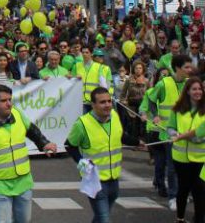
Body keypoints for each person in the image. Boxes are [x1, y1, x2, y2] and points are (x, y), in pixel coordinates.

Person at [0, 84, 58, 223]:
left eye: (10, 99)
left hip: (23, 183)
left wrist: (43, 143)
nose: (9, 104)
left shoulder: (17, 114)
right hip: (0, 186)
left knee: (24, 220)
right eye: (3, 101)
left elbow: (31, 129)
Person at [65, 87, 142, 223]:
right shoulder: (82, 124)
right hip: (95, 181)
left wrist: (137, 142)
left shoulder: (114, 115)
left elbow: (120, 135)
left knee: (101, 217)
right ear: (93, 105)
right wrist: (83, 165)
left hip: (114, 178)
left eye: (108, 101)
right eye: (102, 102)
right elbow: (69, 145)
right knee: (104, 219)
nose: (107, 105)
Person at [148, 54, 193, 209]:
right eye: (187, 67)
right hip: (169, 133)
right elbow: (151, 100)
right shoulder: (164, 83)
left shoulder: (189, 84)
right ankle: (173, 196)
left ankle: (185, 192)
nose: (190, 69)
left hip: (187, 133)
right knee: (173, 166)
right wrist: (155, 116)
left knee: (187, 165)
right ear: (177, 68)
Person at [167, 77, 205, 223]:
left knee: (200, 190)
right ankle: (180, 218)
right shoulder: (177, 109)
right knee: (183, 189)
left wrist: (197, 139)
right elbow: (170, 127)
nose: (198, 92)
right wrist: (173, 133)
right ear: (187, 91)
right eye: (194, 89)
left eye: (200, 89)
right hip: (180, 157)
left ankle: (199, 218)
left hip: (201, 158)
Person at [72, 47, 112, 113]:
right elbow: (72, 81)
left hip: (94, 101)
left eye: (87, 52)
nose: (84, 54)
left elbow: (104, 84)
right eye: (83, 52)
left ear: (91, 54)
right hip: (81, 101)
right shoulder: (76, 66)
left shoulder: (99, 67)